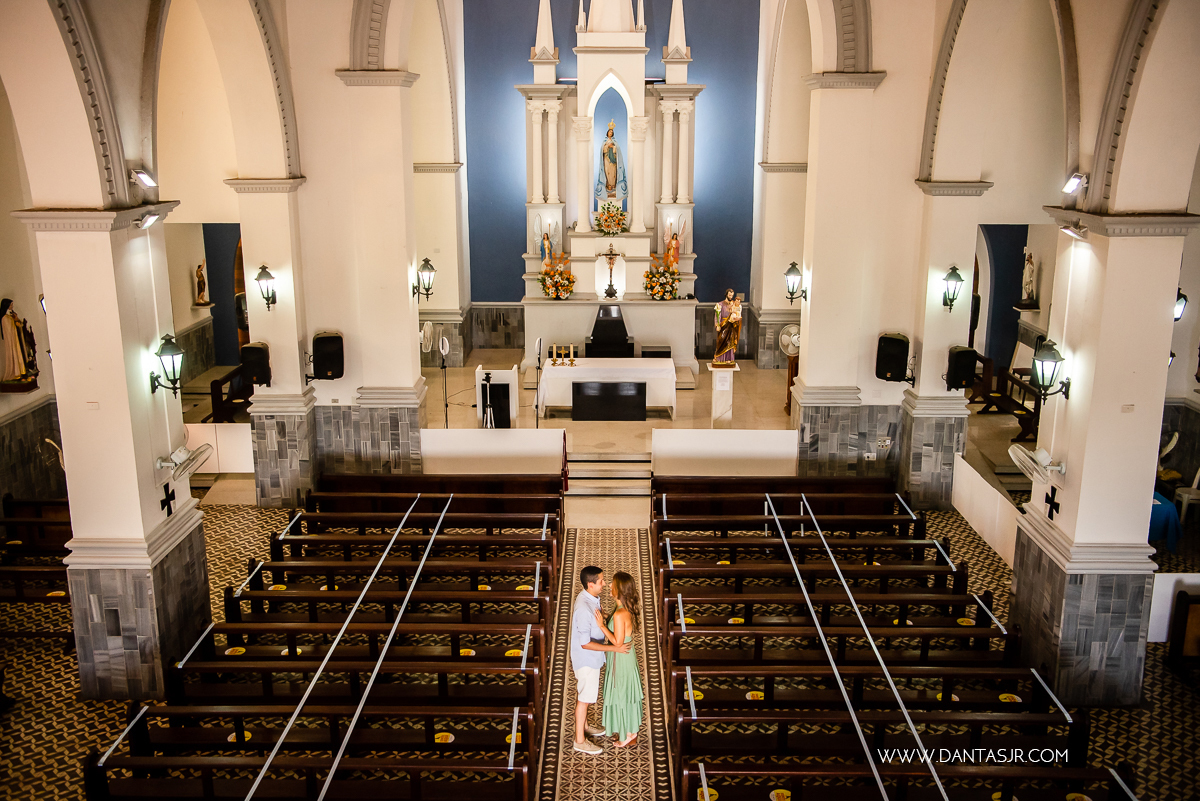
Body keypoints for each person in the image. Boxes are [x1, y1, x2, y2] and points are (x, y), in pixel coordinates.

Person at [571, 565, 629, 755]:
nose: (604, 584)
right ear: (590, 584)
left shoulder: (591, 598)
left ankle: (585, 726)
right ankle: (579, 740)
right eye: (601, 581)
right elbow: (585, 643)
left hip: (592, 656)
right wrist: (614, 648)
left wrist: (603, 619)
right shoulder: (583, 608)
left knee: (584, 694)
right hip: (587, 658)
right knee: (584, 699)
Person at [594, 570, 643, 747]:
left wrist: (602, 626)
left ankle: (627, 735)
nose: (608, 586)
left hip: (621, 658)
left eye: (612, 585)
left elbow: (617, 642)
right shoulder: (622, 609)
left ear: (619, 590)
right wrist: (606, 617)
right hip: (626, 656)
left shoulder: (619, 613)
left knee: (621, 692)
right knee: (625, 691)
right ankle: (630, 730)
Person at [713, 288, 742, 365]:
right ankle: (719, 357)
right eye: (729, 295)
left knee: (730, 342)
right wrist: (717, 325)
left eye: (732, 295)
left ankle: (729, 358)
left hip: (731, 325)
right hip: (723, 325)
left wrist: (737, 319)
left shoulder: (734, 304)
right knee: (721, 340)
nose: (731, 297)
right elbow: (717, 316)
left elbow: (738, 313)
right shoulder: (720, 304)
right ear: (726, 294)